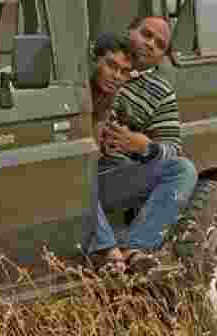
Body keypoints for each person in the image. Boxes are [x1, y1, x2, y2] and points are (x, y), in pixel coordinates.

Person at [91, 16, 198, 274]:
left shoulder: (161, 91)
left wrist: (143, 146)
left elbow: (172, 147)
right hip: (81, 170)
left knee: (182, 170)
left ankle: (134, 248)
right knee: (76, 175)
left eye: (160, 45)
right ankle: (108, 250)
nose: (150, 45)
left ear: (162, 57)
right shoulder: (95, 61)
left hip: (115, 176)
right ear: (130, 31)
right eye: (146, 34)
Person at [84, 31, 136, 273]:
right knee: (82, 179)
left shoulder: (110, 95)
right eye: (111, 66)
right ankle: (109, 250)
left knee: (127, 170)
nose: (117, 76)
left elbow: (94, 147)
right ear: (95, 59)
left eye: (124, 71)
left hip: (91, 162)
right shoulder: (80, 86)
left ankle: (130, 244)